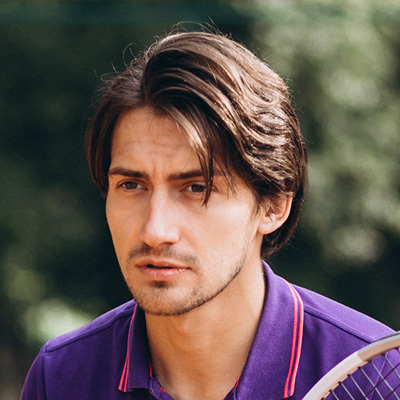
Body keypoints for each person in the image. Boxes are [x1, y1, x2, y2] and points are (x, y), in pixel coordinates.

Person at [21, 30, 394, 400]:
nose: (155, 230)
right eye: (132, 185)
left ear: (274, 205)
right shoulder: (60, 379)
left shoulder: (377, 377)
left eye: (196, 188)